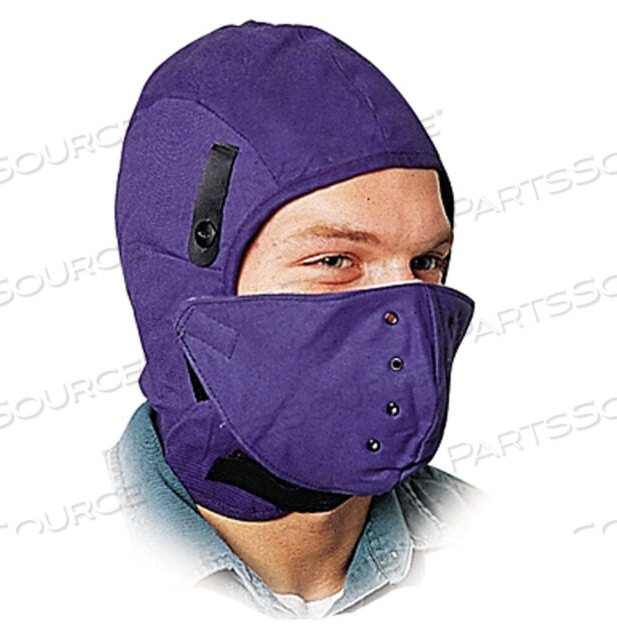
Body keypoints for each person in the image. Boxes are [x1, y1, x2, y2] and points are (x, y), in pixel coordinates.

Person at [104, 19, 488, 620]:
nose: (406, 311)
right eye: (335, 260)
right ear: (186, 282)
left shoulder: (520, 560)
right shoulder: (33, 571)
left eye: (425, 262)